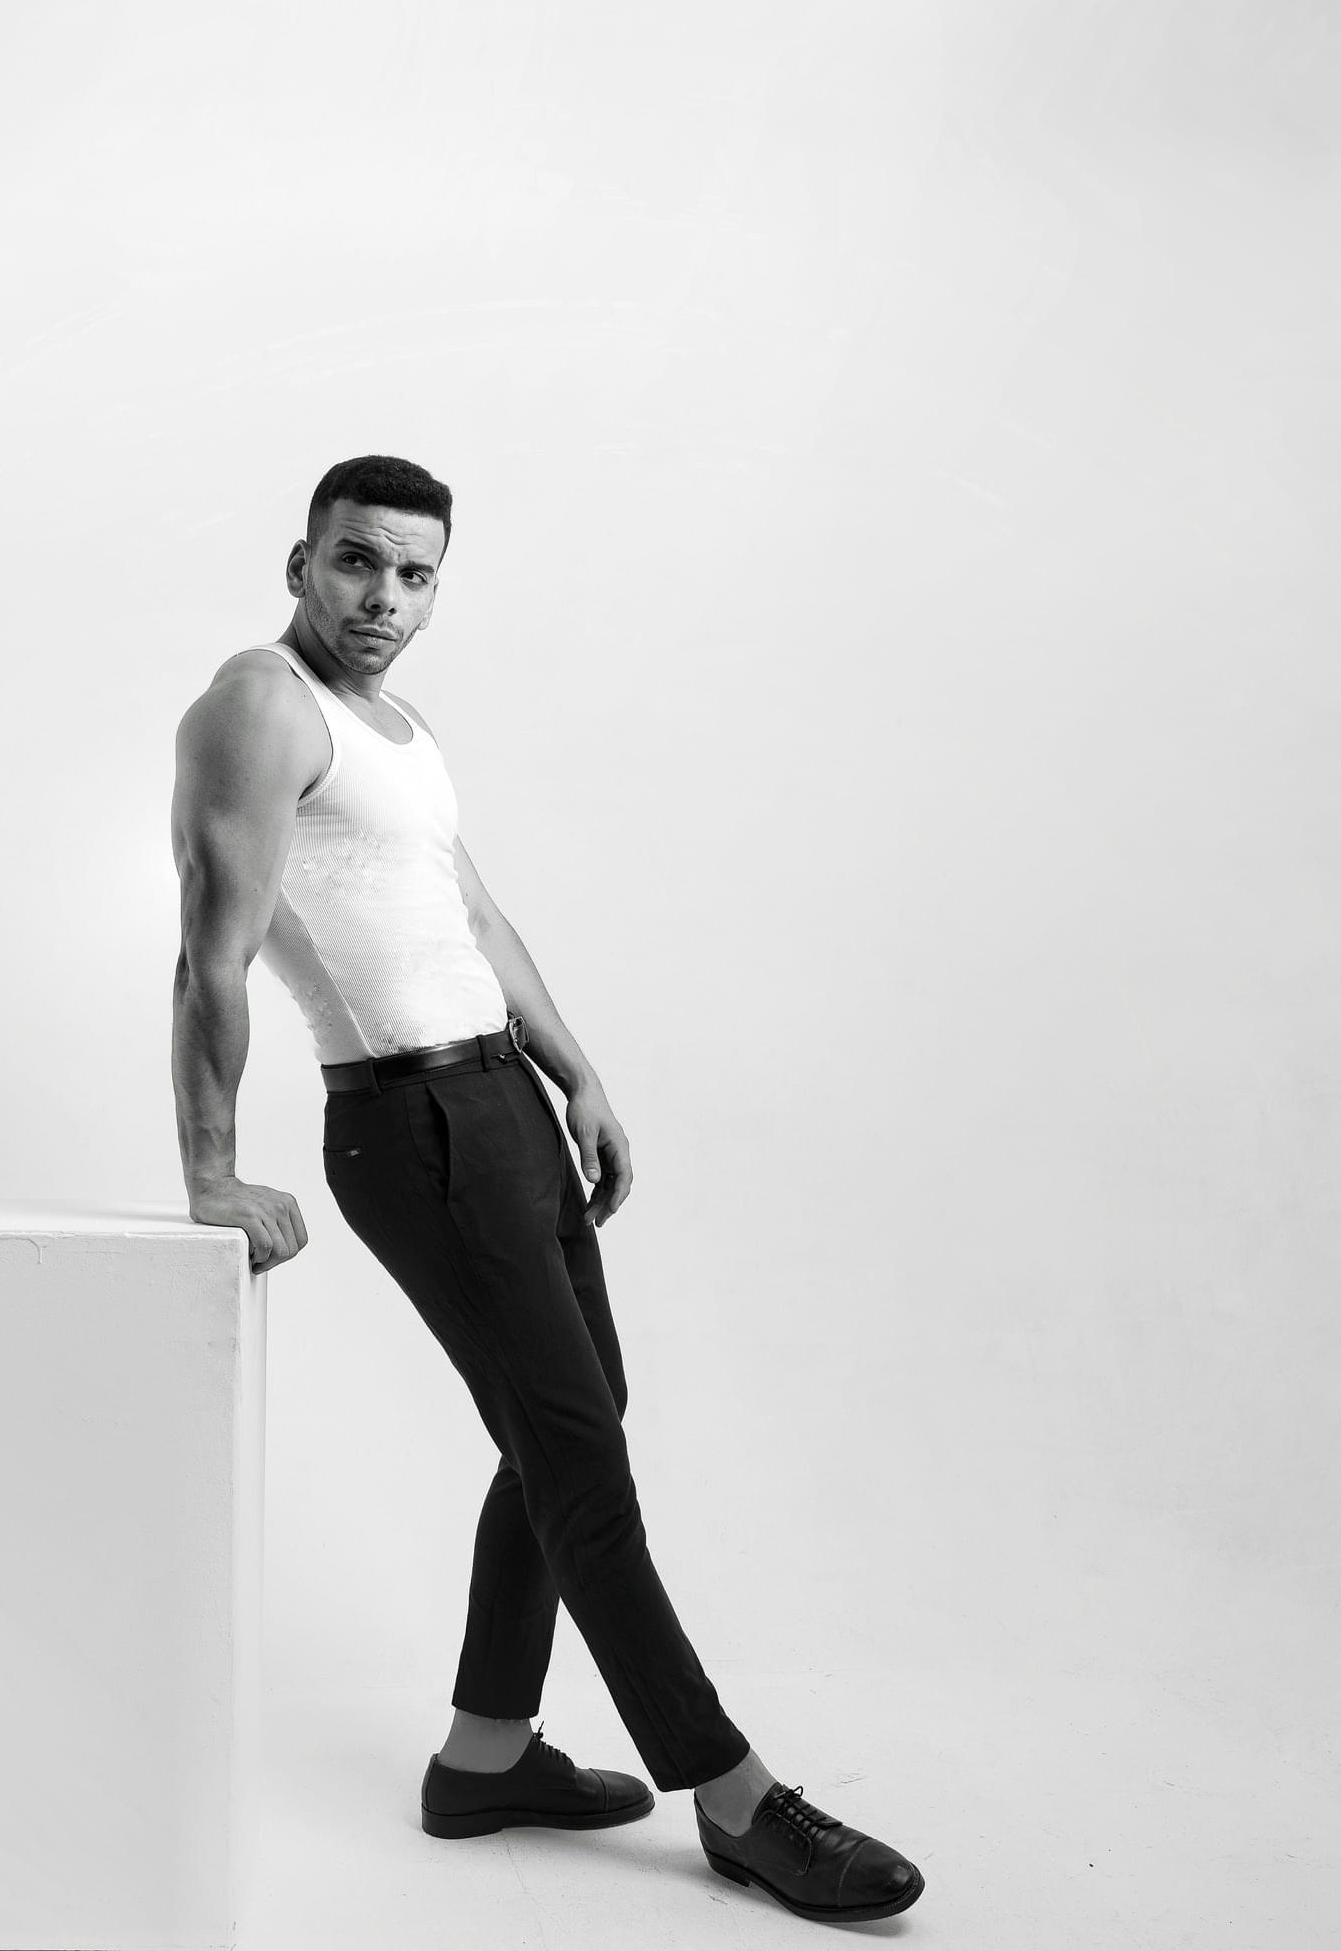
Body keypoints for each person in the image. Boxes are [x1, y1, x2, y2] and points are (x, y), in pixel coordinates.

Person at [169, 454, 925, 1924]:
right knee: (577, 1455)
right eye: (355, 561)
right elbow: (212, 944)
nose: (384, 597)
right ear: (300, 563)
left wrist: (577, 1074)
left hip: (499, 1100)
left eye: (415, 574)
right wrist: (210, 1170)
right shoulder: (260, 704)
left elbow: (471, 911)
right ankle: (735, 1796)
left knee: (576, 1424)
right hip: (410, 1124)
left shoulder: (399, 729)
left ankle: (486, 1756)